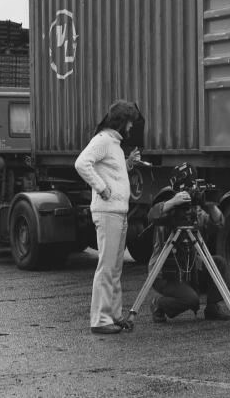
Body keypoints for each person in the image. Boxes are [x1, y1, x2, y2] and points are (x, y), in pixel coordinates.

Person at [75, 100, 143, 335]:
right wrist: (101, 188)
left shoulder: (113, 143)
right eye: (130, 122)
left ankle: (113, 315)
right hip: (108, 212)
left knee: (114, 268)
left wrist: (128, 164)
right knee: (107, 266)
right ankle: (100, 319)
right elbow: (82, 163)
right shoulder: (103, 140)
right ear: (122, 122)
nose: (132, 127)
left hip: (118, 212)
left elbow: (110, 169)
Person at [147, 165, 230, 323]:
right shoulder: (168, 207)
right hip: (165, 274)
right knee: (192, 299)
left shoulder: (194, 211)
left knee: (218, 262)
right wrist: (173, 202)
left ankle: (213, 308)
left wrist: (211, 206)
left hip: (189, 270)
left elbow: (218, 224)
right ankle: (158, 304)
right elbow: (152, 215)